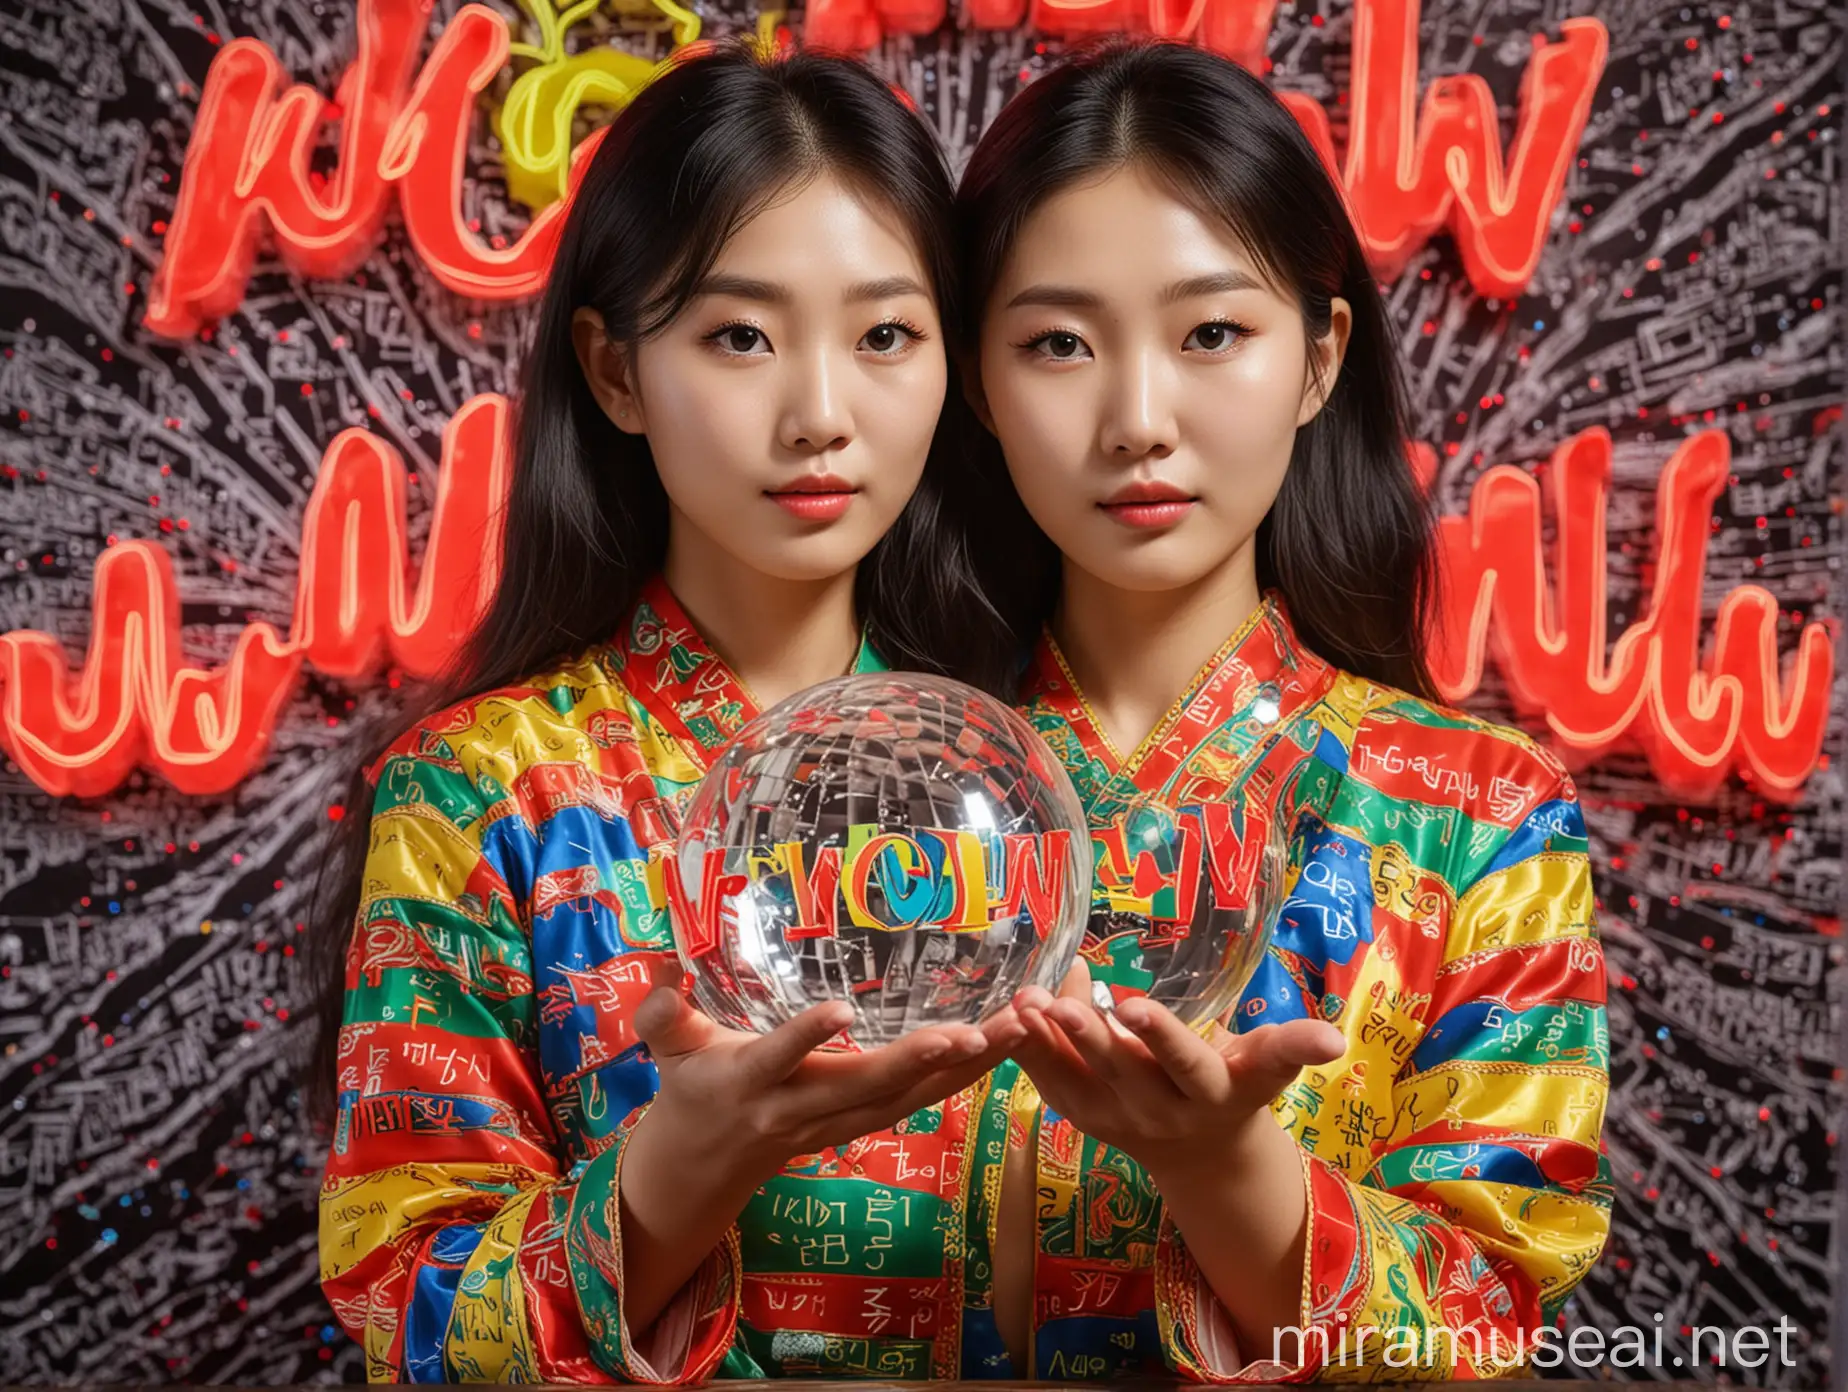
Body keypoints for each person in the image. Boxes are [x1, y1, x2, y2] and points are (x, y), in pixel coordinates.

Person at [309, 43, 1027, 1383]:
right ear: (618, 370)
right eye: (740, 335)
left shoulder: (1035, 775)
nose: (820, 414)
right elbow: (401, 1305)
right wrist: (681, 1171)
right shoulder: (480, 792)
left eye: (885, 335)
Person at [958, 39, 1613, 1381]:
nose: (1139, 419)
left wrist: (1221, 1166)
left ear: (1318, 360)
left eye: (1212, 333)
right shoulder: (858, 792)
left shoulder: (1479, 812)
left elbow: (1483, 1320)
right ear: (975, 380)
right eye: (1058, 344)